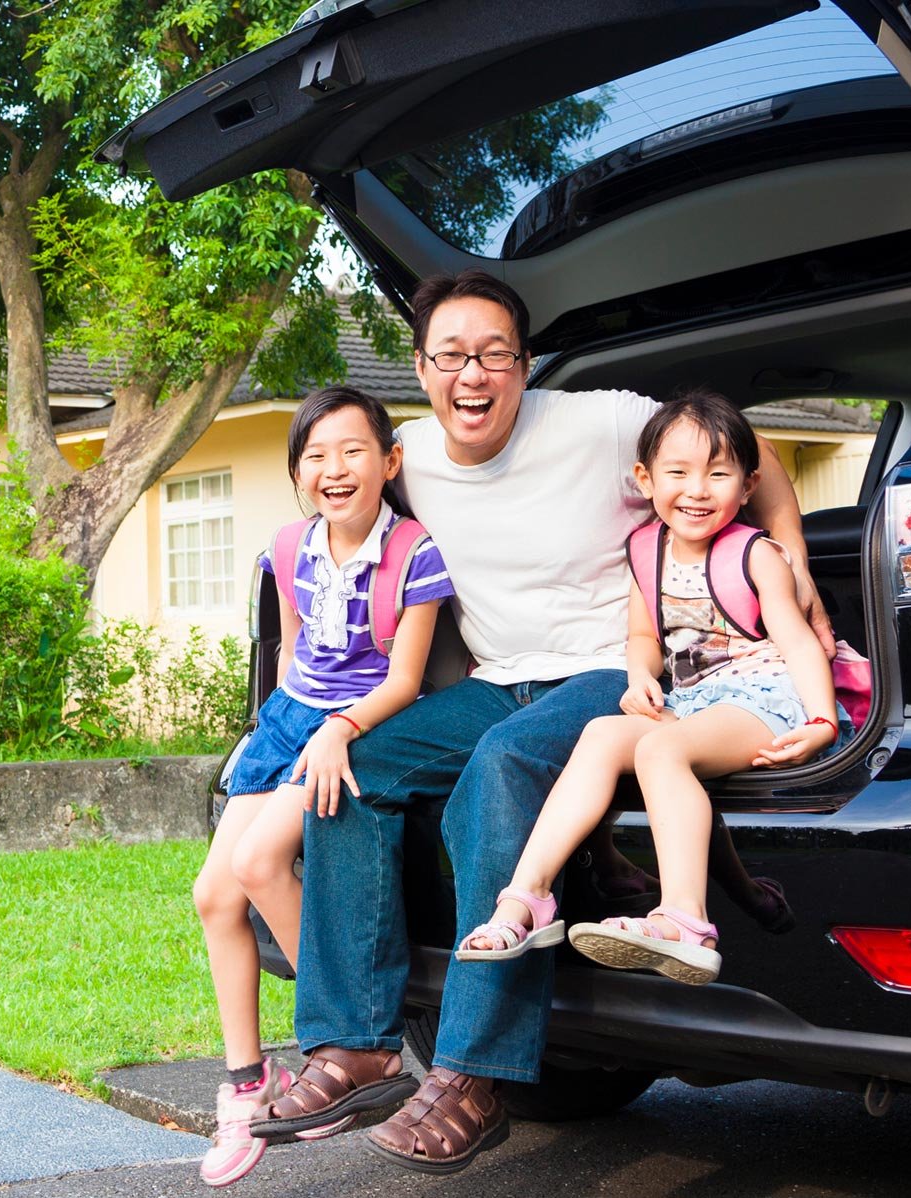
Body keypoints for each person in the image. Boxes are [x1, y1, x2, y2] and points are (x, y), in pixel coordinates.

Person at [247, 269, 829, 1175]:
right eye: (450, 357)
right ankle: (353, 1044)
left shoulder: (603, 422)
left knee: (503, 764)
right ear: (421, 367)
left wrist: (792, 578)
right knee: (354, 769)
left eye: (493, 355)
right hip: (498, 677)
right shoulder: (403, 456)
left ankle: (475, 1074)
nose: (471, 376)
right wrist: (321, 707)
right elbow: (342, 535)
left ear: (524, 364)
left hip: (615, 673)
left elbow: (754, 460)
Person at [457, 388, 849, 984]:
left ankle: (686, 921)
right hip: (695, 697)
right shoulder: (646, 550)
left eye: (718, 474)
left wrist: (822, 720)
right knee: (600, 734)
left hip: (765, 695)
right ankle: (526, 898)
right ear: (644, 479)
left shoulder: (757, 553)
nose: (697, 490)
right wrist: (641, 674)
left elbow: (797, 641)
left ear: (746, 488)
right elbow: (644, 636)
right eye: (678, 472)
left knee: (658, 748)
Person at [191, 385, 454, 1187]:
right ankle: (249, 1080)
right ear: (299, 472)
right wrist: (273, 725)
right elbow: (293, 648)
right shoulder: (287, 547)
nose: (333, 469)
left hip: (358, 726)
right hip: (287, 724)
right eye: (315, 455)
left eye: (352, 451)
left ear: (389, 462)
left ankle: (356, 1038)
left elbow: (406, 680)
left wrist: (339, 731)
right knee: (213, 896)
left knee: (261, 863)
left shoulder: (414, 552)